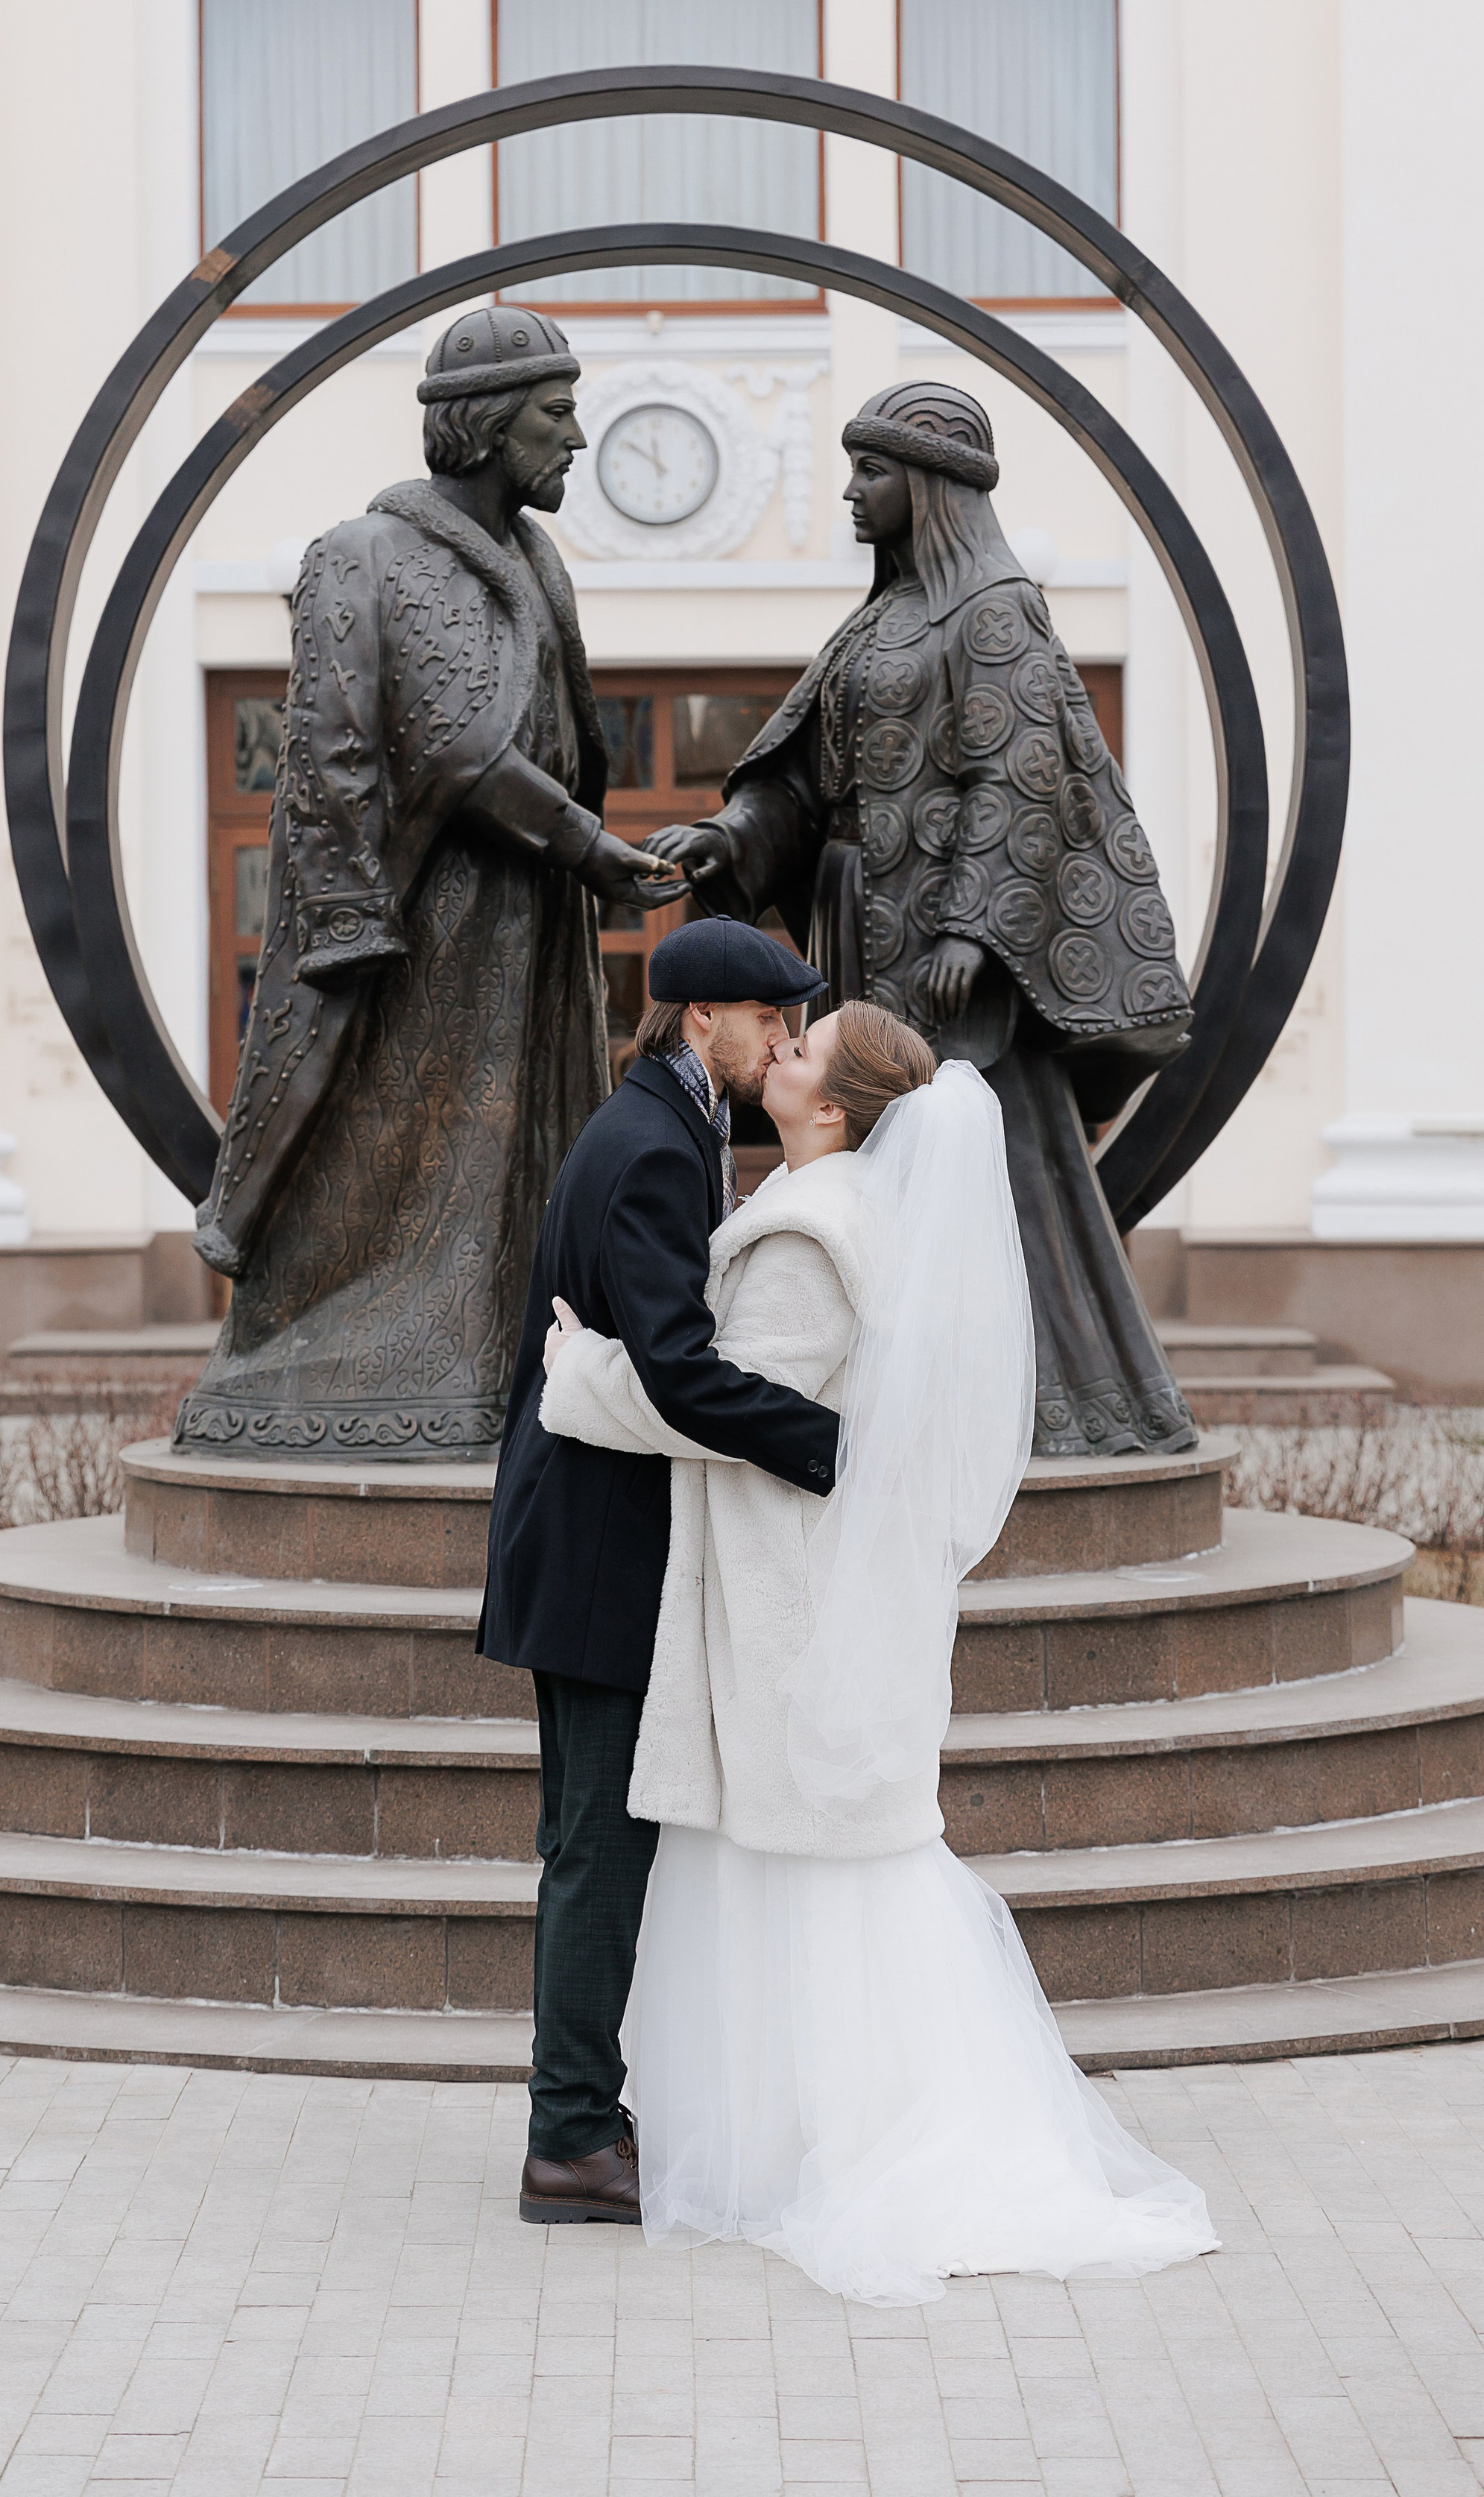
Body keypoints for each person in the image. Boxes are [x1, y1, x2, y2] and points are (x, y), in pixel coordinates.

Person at [539, 1003, 1219, 2305]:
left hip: (792, 1606)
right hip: (805, 1589)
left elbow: (726, 1408)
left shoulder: (810, 1232)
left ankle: (844, 2144)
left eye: (802, 1050)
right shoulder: (841, 1211)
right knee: (813, 1873)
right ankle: (808, 2136)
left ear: (837, 1108)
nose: (778, 1051)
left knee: (820, 1876)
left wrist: (580, 1375)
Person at [645, 380, 1199, 1462]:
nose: (852, 491)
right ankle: (902, 1394)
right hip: (866, 923)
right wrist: (735, 836)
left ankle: (1063, 1406)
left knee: (989, 1163)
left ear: (934, 485)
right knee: (887, 1158)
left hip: (954, 960)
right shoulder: (881, 621)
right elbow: (806, 783)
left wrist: (973, 930)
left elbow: (1020, 774)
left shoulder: (995, 606)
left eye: (873, 471)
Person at [179, 307, 679, 1458]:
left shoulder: (533, 559)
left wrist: (585, 855)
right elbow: (437, 745)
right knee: (406, 1149)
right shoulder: (369, 553)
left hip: (529, 917)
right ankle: (358, 1367)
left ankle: (520, 1356)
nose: (578, 438)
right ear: (489, 422)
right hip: (423, 924)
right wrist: (588, 844)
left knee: (518, 1149)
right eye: (557, 413)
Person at [480, 915, 842, 2227]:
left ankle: (576, 2111)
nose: (786, 1041)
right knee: (595, 1850)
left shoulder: (670, 1128)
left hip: (592, 1542)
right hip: (594, 1557)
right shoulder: (648, 1148)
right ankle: (570, 2138)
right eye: (772, 1021)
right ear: (702, 1020)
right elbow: (680, 1370)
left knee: (587, 1843)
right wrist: (835, 1447)